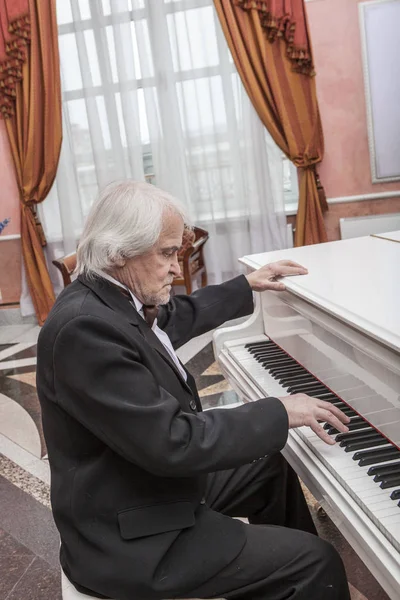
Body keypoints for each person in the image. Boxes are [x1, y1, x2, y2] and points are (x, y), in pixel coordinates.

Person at [37, 180, 351, 600]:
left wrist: (247, 285)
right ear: (118, 252)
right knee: (314, 561)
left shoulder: (107, 298)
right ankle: (298, 576)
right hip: (130, 538)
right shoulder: (84, 330)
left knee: (268, 468)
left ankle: (281, 585)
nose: (178, 269)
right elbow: (174, 442)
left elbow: (167, 321)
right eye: (167, 254)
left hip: (142, 487)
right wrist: (278, 409)